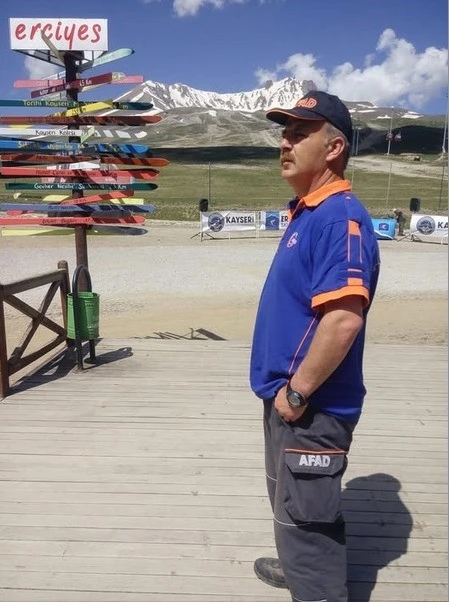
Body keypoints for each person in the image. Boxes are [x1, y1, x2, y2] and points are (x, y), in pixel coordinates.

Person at [249, 90, 380, 602]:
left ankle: (315, 584)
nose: (285, 143)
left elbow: (343, 320)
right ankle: (297, 566)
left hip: (312, 406)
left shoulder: (339, 219)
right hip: (287, 399)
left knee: (308, 517)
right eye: (284, 134)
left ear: (334, 147)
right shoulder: (308, 212)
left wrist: (298, 393)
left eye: (300, 134)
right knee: (294, 506)